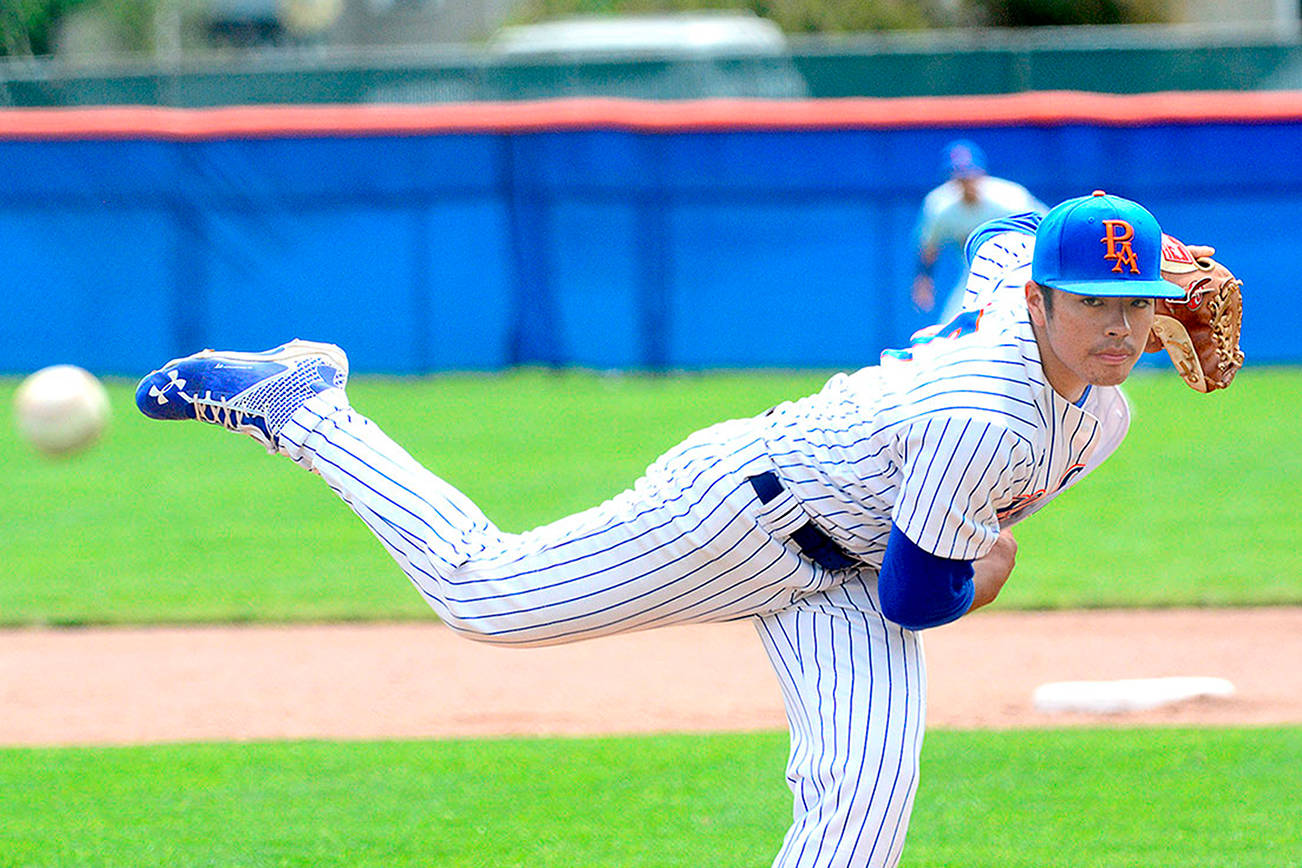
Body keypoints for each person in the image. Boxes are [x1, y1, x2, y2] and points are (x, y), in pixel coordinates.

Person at [136, 191, 1187, 868]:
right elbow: (919, 596)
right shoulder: (987, 413)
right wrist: (984, 571)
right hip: (748, 507)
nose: (1118, 325)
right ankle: (306, 406)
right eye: (1091, 299)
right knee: (484, 594)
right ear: (1041, 304)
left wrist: (1120, 238)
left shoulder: (1074, 365)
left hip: (854, 562)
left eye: (1135, 299)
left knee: (863, 811)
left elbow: (1005, 234)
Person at [912, 139, 1047, 322]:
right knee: (953, 324)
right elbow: (930, 246)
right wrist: (924, 280)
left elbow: (1046, 229)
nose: (966, 181)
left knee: (1021, 320)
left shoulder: (1009, 199)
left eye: (969, 174)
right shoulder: (940, 206)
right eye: (959, 176)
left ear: (981, 172)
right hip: (975, 273)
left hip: (1018, 268)